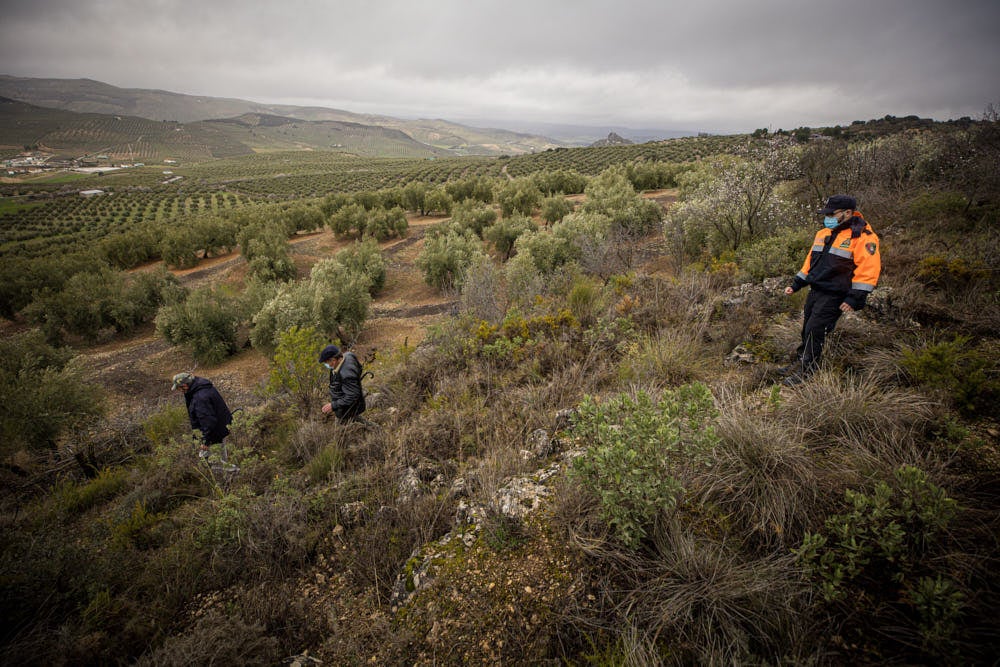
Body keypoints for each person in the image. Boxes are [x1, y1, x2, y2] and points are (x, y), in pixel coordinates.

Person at [781, 194, 881, 386]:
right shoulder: (823, 233)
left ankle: (807, 372)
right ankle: (800, 363)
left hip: (836, 294)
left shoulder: (863, 237)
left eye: (831, 214)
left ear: (848, 213)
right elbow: (810, 262)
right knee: (807, 328)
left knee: (815, 329)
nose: (827, 217)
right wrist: (796, 284)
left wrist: (855, 298)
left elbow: (868, 270)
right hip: (816, 290)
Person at [171, 371, 234, 458]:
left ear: (184, 386)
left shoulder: (200, 398)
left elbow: (208, 421)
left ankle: (229, 471)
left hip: (214, 434)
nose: (179, 391)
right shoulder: (199, 388)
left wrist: (206, 442)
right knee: (218, 459)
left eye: (178, 388)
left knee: (216, 463)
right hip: (219, 429)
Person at [319, 344, 366, 422]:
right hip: (343, 404)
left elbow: (352, 396)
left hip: (348, 409)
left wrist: (333, 405)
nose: (326, 365)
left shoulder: (346, 374)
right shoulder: (348, 355)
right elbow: (359, 368)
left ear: (333, 360)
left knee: (352, 423)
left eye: (326, 362)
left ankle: (376, 429)